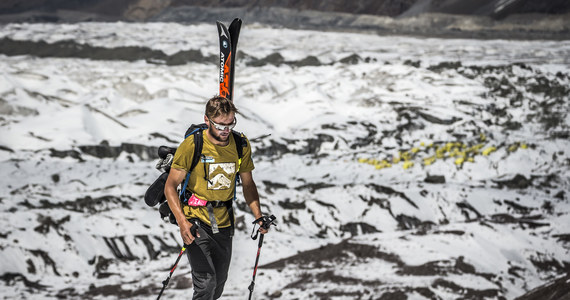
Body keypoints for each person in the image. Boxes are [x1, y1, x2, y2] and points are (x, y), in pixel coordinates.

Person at [164, 95, 268, 299]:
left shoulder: (240, 144)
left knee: (218, 286)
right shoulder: (193, 145)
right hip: (196, 221)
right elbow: (170, 186)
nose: (226, 130)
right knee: (206, 283)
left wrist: (258, 215)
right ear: (207, 120)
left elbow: (248, 183)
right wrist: (183, 223)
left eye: (230, 124)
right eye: (220, 125)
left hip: (224, 223)